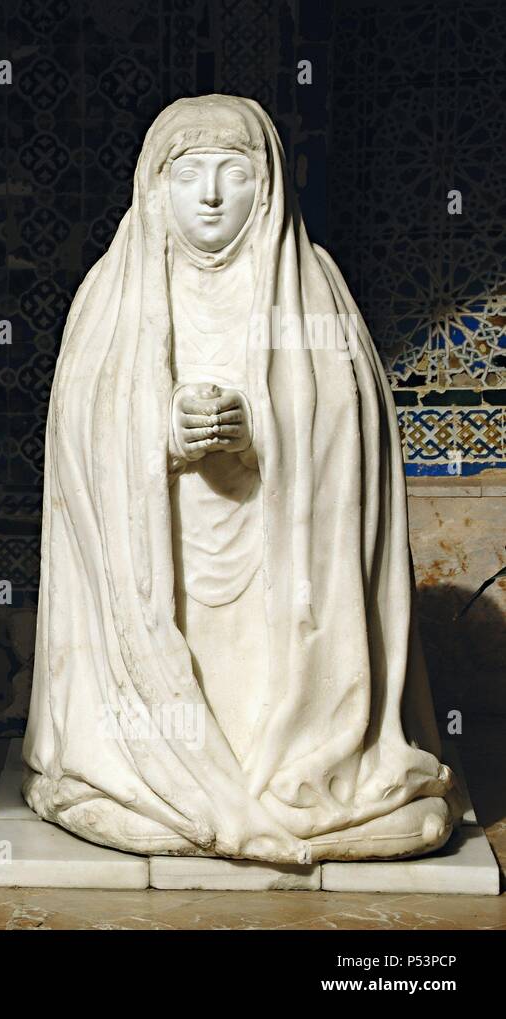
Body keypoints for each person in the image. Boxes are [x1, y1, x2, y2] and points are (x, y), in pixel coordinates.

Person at [23, 96, 454, 863]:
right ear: (157, 189)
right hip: (164, 567)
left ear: (270, 187)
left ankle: (291, 777)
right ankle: (152, 775)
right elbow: (79, 440)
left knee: (370, 797)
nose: (213, 195)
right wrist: (159, 433)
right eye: (190, 175)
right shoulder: (112, 294)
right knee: (138, 790)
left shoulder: (312, 287)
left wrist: (263, 434)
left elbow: (353, 438)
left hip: (279, 572)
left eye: (236, 174)